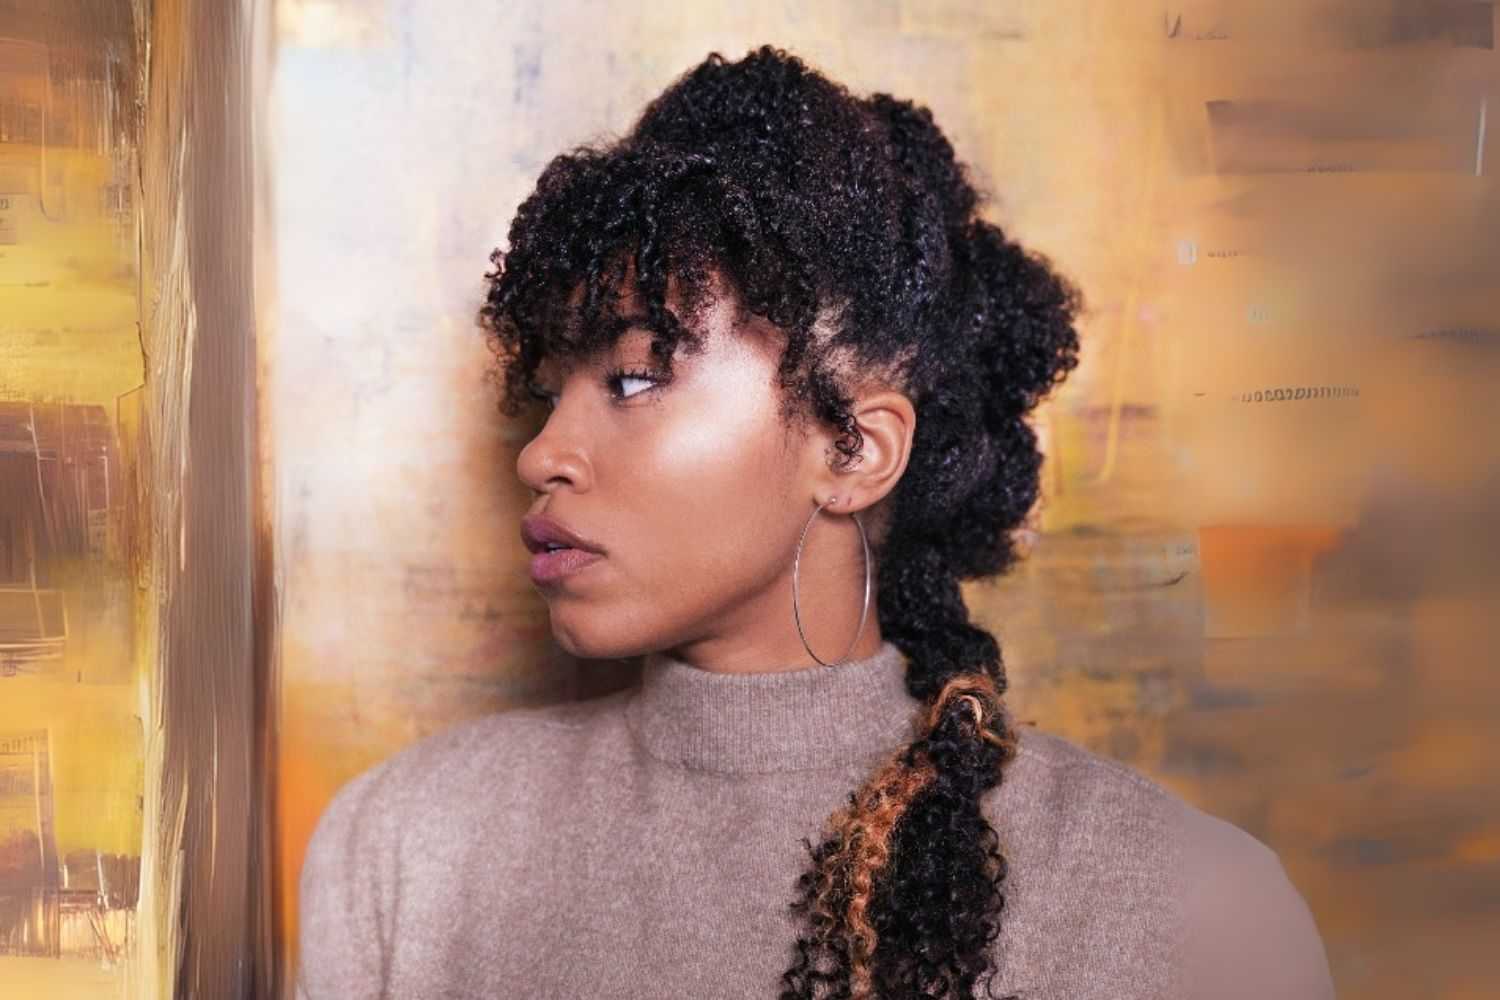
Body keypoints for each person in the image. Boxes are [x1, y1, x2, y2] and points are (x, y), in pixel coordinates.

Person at [295, 44, 1336, 999]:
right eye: (547, 392)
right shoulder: (408, 849)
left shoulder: (1191, 912)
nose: (538, 455)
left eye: (633, 378)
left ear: (854, 450)